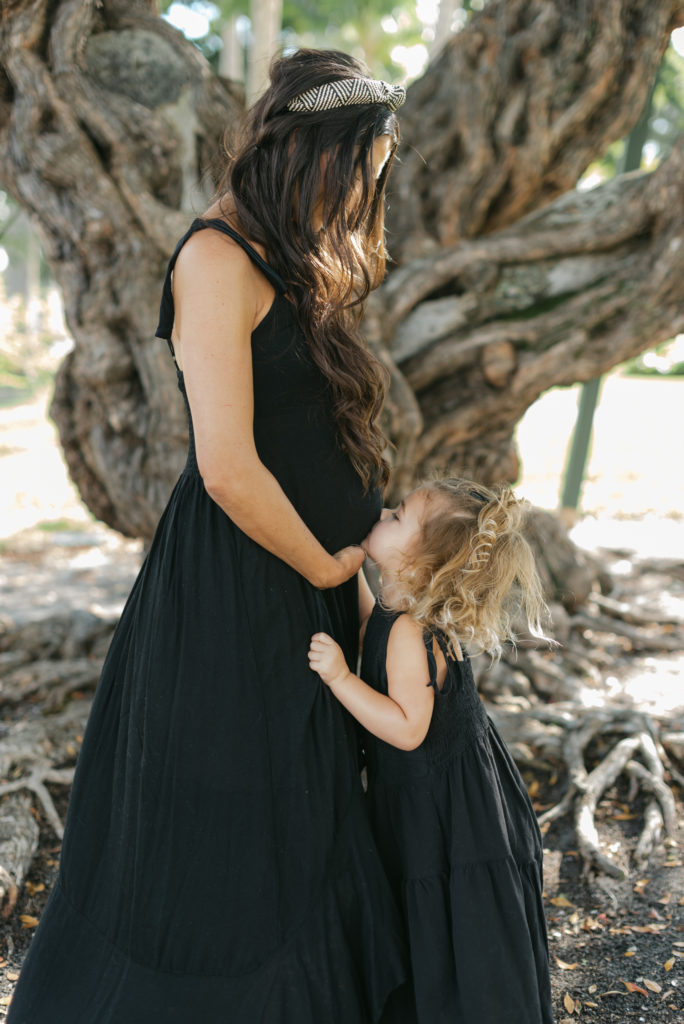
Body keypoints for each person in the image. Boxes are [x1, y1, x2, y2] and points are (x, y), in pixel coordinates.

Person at [7, 49, 411, 1023]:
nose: (364, 192)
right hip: (242, 582)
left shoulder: (287, 253)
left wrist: (352, 576)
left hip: (313, 574)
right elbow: (228, 464)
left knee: (307, 821)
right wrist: (325, 562)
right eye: (359, 167)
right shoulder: (214, 259)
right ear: (305, 150)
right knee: (240, 827)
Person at [308, 478, 556, 1024]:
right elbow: (371, 621)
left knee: (452, 911)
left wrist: (340, 678)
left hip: (445, 804)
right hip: (439, 788)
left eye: (398, 517)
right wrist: (347, 575)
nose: (386, 512)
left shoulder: (411, 634)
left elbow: (405, 729)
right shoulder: (397, 613)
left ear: (421, 564)